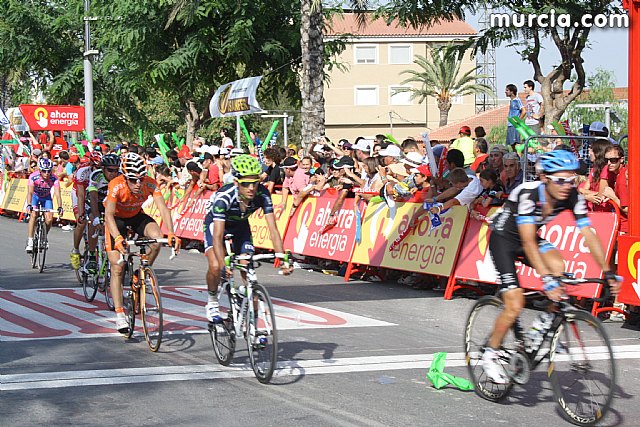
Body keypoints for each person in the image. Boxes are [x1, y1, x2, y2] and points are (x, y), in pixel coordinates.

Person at [482, 150, 621, 384]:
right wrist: (546, 279)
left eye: (571, 179)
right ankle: (490, 354)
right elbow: (526, 242)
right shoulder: (528, 194)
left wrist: (608, 273)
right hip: (504, 239)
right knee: (515, 304)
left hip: (530, 237)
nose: (567, 185)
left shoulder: (572, 196)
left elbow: (588, 234)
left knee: (559, 268)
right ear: (545, 178)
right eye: (560, 180)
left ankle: (542, 327)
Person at [202, 155, 292, 323]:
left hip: (240, 226)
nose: (251, 188)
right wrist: (223, 264)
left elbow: (273, 229)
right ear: (236, 182)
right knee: (215, 266)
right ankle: (212, 300)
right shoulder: (224, 198)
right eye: (245, 183)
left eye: (255, 183)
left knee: (248, 271)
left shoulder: (263, 194)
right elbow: (218, 236)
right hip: (217, 225)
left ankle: (253, 324)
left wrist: (283, 258)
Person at [104, 153, 181, 335]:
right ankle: (120, 314)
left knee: (157, 238)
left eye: (140, 179)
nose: (138, 184)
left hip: (136, 215)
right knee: (117, 267)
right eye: (133, 180)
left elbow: (163, 208)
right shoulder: (116, 186)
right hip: (117, 220)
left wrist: (171, 233)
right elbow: (108, 215)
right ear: (125, 176)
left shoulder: (150, 183)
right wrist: (118, 238)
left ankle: (143, 271)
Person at [84, 154, 122, 272]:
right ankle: (91, 257)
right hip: (95, 201)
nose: (113, 173)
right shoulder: (96, 175)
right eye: (110, 170)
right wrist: (95, 217)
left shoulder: (120, 177)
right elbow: (93, 197)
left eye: (116, 170)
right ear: (103, 169)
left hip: (110, 202)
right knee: (93, 222)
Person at [25, 158, 64, 252]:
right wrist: (29, 204)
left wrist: (60, 207)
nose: (46, 173)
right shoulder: (33, 177)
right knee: (33, 215)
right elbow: (30, 192)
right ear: (40, 170)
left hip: (46, 198)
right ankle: (30, 240)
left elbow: (58, 194)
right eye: (44, 171)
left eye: (49, 171)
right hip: (35, 197)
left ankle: (44, 236)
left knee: (50, 218)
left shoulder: (54, 178)